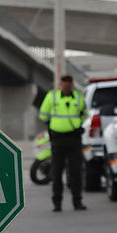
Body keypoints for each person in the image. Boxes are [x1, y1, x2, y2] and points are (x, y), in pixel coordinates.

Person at [39, 73, 88, 211]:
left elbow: (85, 114)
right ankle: (57, 202)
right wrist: (50, 126)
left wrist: (80, 125)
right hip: (58, 139)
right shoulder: (52, 97)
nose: (67, 84)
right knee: (57, 172)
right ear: (60, 84)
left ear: (72, 83)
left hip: (74, 138)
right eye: (64, 81)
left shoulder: (79, 97)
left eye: (69, 81)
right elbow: (43, 114)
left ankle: (77, 201)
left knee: (76, 172)